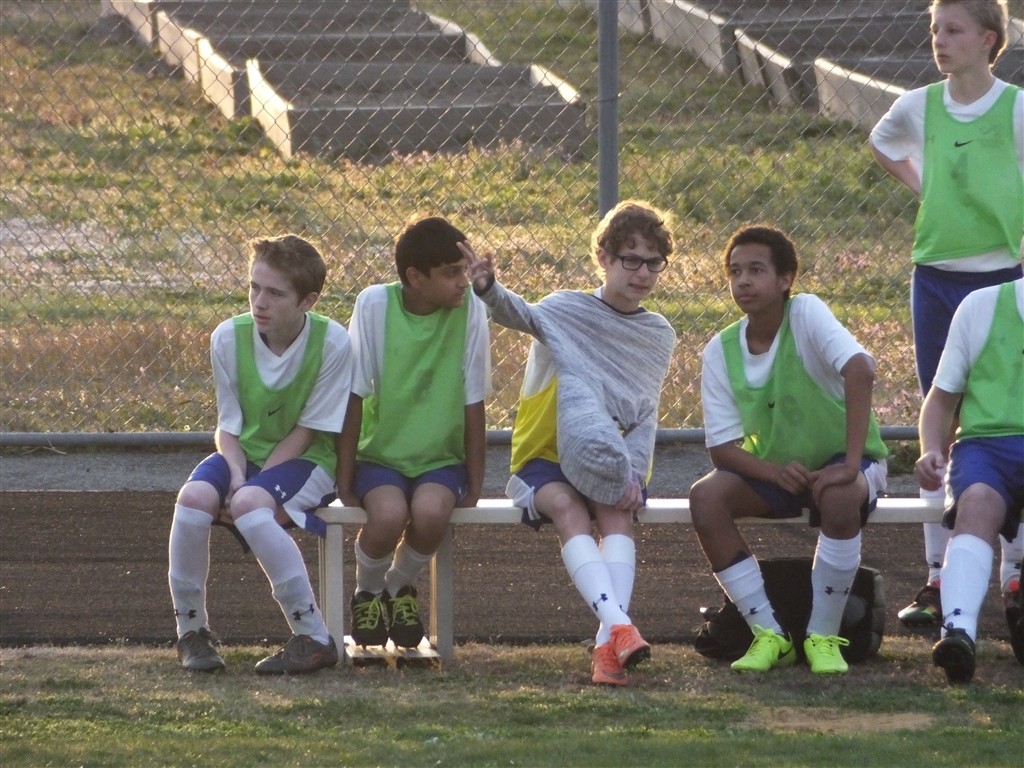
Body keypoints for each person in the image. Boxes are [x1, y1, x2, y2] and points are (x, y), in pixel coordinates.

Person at [461, 200, 677, 686]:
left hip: (610, 462)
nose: (643, 273)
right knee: (565, 506)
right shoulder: (565, 310)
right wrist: (488, 288)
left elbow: (645, 413)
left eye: (653, 262)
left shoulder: (656, 333)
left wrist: (634, 474)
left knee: (618, 511)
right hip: (544, 457)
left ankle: (607, 647)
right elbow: (519, 313)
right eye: (631, 259)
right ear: (603, 257)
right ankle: (619, 627)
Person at [869, 0, 1023, 628]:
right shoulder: (917, 105)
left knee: (1007, 418)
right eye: (934, 29)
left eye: (953, 30)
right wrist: (924, 184)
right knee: (941, 419)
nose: (939, 39)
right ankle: (937, 578)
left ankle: (1013, 576)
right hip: (936, 279)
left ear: (988, 39)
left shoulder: (1016, 108)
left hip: (1004, 278)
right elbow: (882, 143)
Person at [689, 225, 889, 676]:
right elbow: (721, 449)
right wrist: (774, 473)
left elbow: (861, 369)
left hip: (845, 461)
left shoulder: (806, 313)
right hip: (780, 471)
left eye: (756, 270)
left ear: (785, 279)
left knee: (840, 496)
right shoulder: (720, 350)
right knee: (706, 497)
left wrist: (851, 465)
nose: (743, 280)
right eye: (735, 271)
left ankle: (822, 636)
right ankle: (769, 634)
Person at [169, 234, 353, 674]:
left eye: (275, 293)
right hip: (244, 456)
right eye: (254, 287)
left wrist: (249, 488)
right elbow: (228, 428)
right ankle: (191, 633)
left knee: (251, 504)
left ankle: (313, 636)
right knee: (192, 500)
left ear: (307, 301)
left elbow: (306, 432)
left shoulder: (333, 342)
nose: (259, 302)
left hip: (309, 460)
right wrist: (236, 476)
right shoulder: (227, 337)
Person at [336, 216, 490, 650]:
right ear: (415, 277)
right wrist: (344, 481)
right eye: (451, 272)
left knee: (431, 513)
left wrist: (475, 483)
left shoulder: (472, 308)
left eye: (465, 270)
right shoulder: (374, 305)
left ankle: (396, 588)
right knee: (387, 516)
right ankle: (367, 593)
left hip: (441, 458)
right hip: (379, 456)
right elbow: (354, 395)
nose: (463, 282)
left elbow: (474, 401)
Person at [915, 276, 1024, 684]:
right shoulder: (981, 306)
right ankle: (958, 633)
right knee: (977, 501)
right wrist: (931, 448)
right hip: (986, 447)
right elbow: (941, 399)